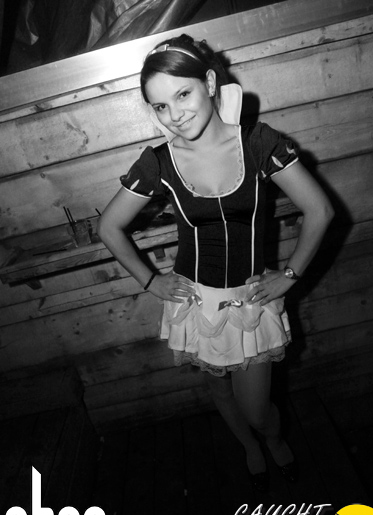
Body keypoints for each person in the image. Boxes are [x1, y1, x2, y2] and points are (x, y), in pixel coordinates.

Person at [98, 34, 334, 491]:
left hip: (250, 303)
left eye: (182, 94)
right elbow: (109, 227)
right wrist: (150, 281)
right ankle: (248, 447)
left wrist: (289, 276)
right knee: (218, 386)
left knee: (257, 408)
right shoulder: (158, 162)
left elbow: (320, 210)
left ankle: (270, 437)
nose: (174, 114)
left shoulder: (260, 143)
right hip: (194, 301)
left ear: (209, 83)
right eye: (160, 106)